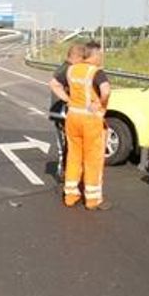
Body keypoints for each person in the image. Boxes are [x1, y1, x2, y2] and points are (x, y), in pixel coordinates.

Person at [61, 42, 111, 210]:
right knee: (93, 159)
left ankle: (70, 195)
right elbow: (106, 91)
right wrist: (100, 103)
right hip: (90, 120)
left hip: (72, 117)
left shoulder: (72, 70)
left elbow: (55, 83)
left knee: (73, 156)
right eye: (100, 55)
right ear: (95, 55)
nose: (101, 58)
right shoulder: (96, 72)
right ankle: (92, 199)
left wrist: (68, 100)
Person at [48, 43, 85, 181]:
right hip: (61, 113)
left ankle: (66, 172)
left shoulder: (65, 68)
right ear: (77, 57)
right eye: (83, 59)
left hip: (60, 113)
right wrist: (69, 100)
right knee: (64, 146)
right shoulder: (67, 69)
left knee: (66, 146)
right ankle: (63, 173)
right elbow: (53, 84)